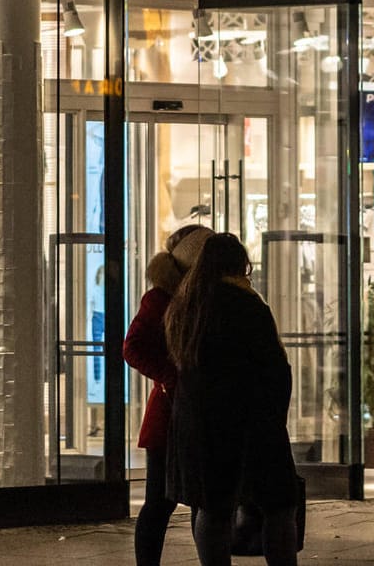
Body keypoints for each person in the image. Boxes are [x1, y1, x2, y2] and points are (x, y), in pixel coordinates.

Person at [164, 234, 299, 566]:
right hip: (250, 422)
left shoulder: (186, 306)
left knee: (213, 507)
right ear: (241, 264)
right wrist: (274, 417)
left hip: (198, 422)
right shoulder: (246, 304)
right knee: (279, 506)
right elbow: (273, 367)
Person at [124, 223, 214, 566]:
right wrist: (170, 377)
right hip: (171, 413)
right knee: (161, 500)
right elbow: (133, 347)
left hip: (199, 410)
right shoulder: (161, 299)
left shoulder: (203, 297)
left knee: (201, 498)